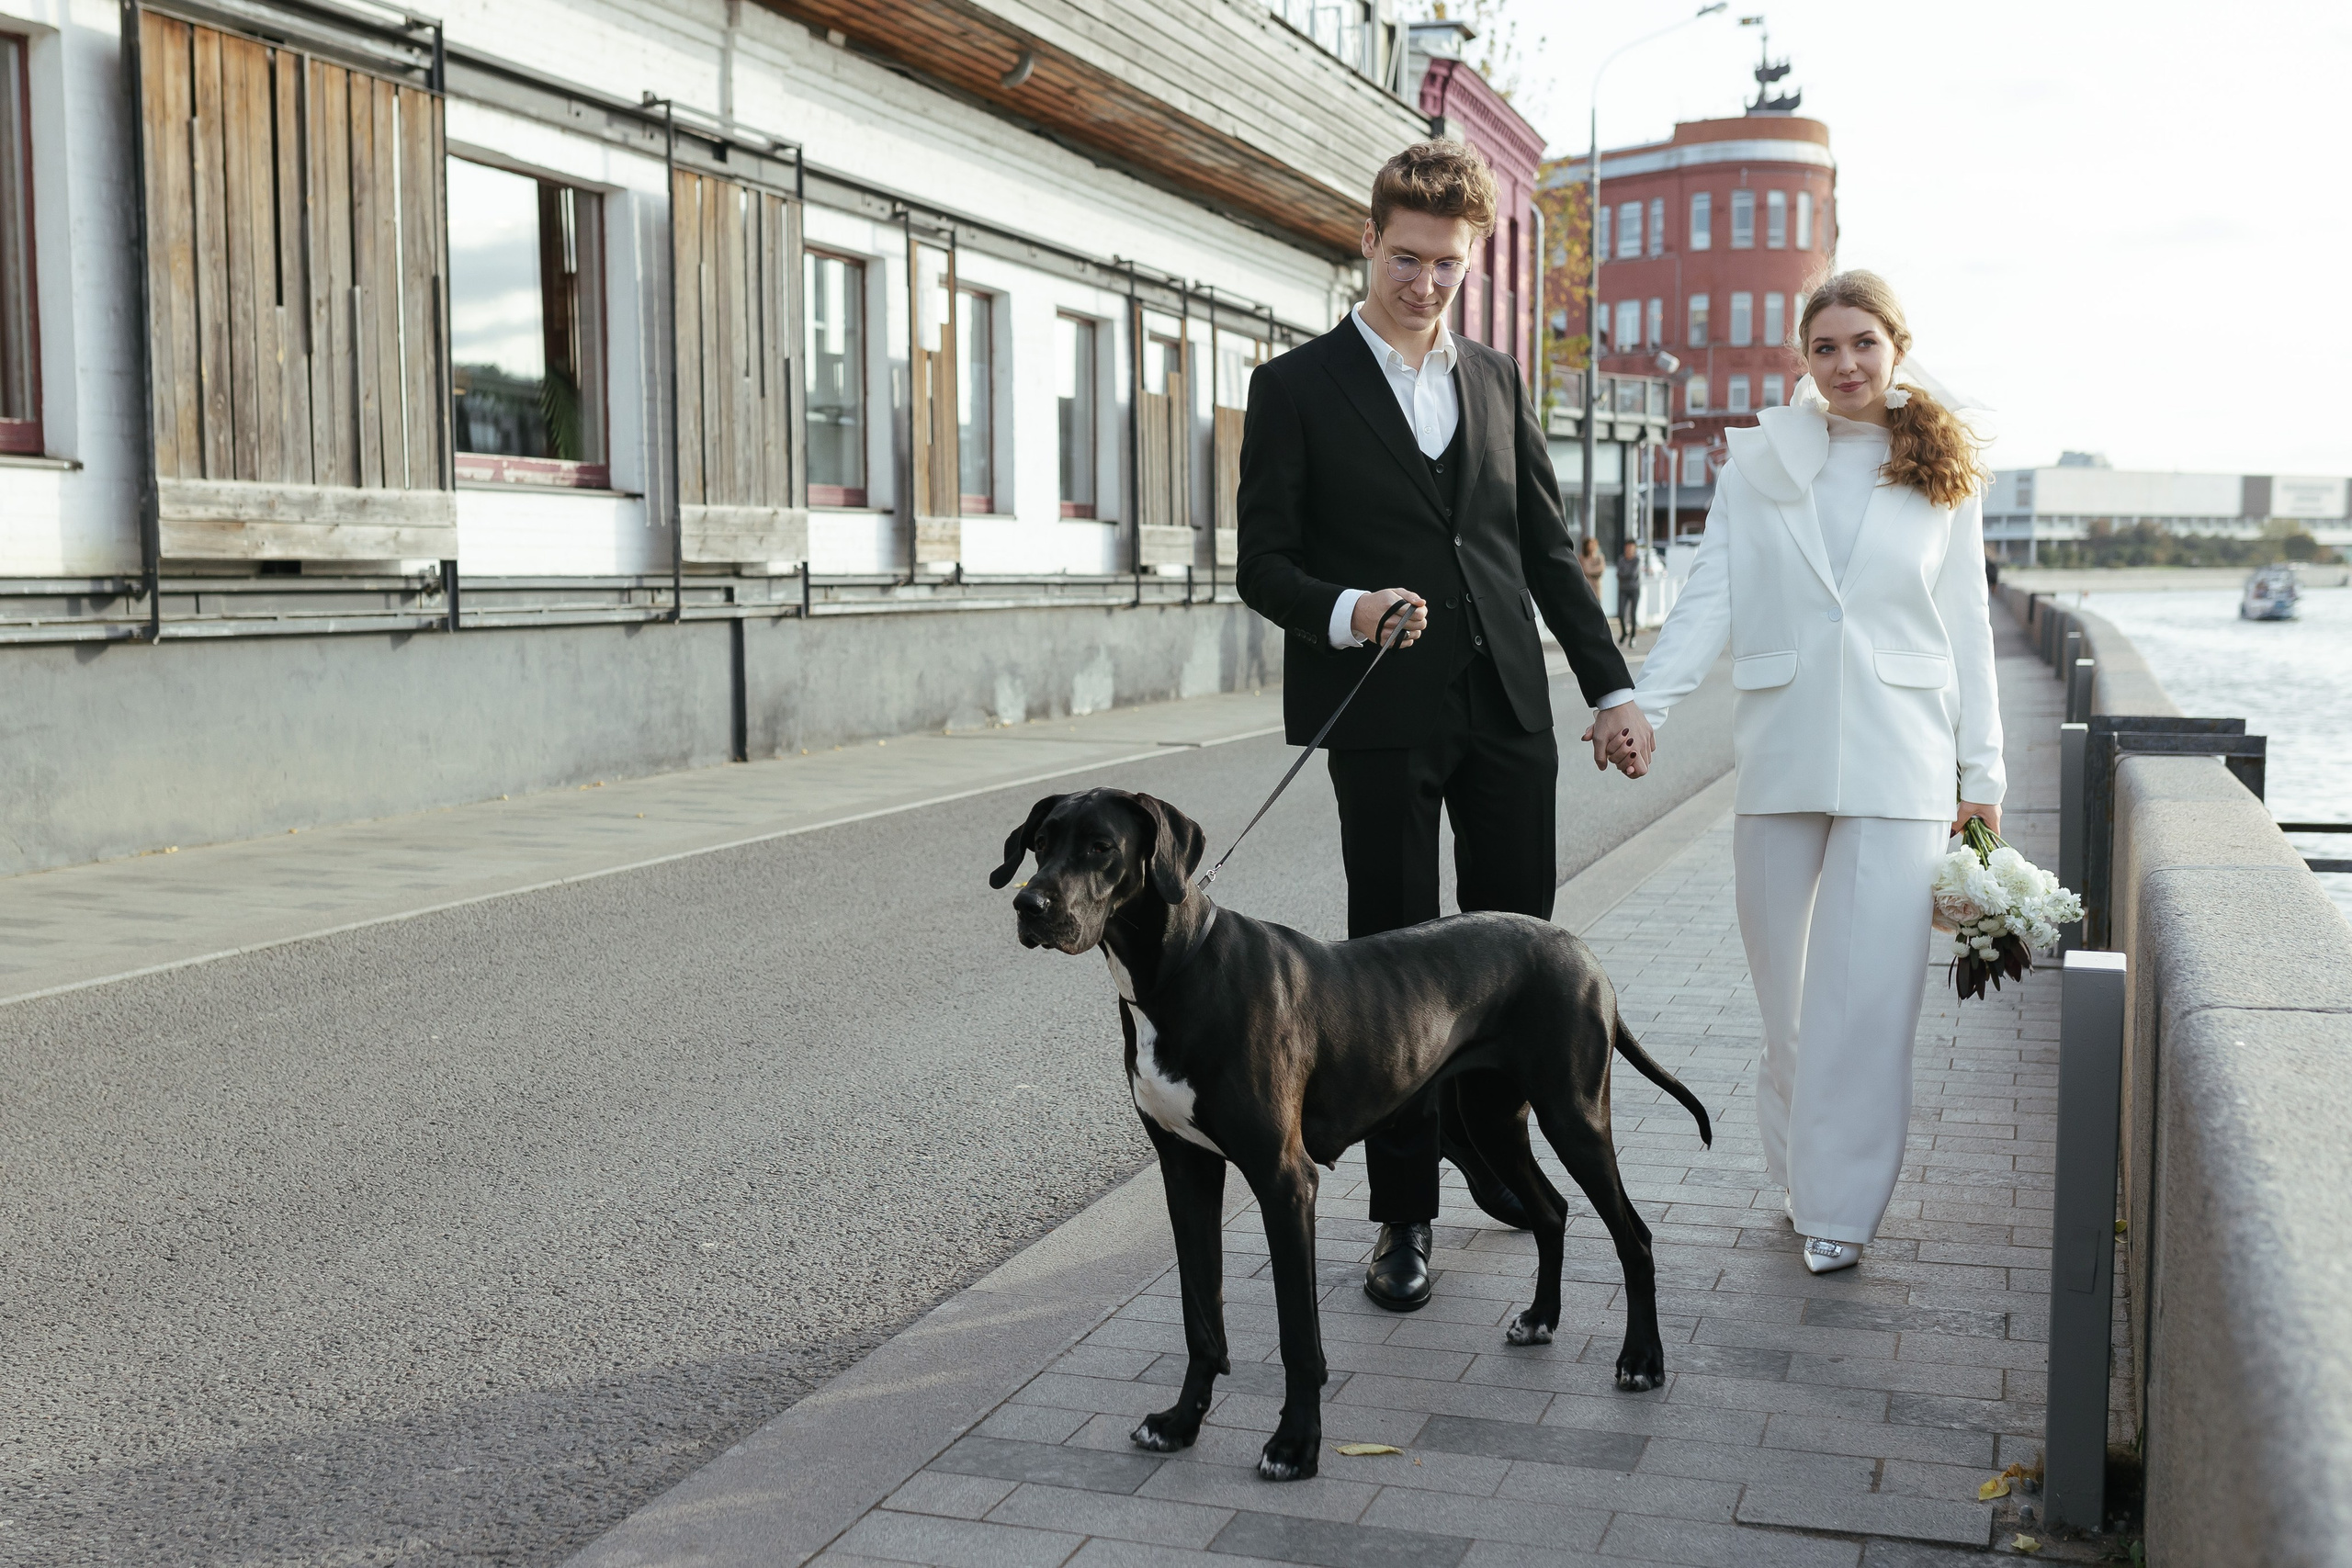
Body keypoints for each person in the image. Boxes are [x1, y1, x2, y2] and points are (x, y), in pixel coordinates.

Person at [1236, 140, 1653, 1314]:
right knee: (1392, 970)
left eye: (1447, 267)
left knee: (1517, 958)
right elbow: (1261, 565)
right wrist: (1346, 608)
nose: (1425, 283)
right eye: (1406, 258)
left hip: (1508, 709)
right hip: (1377, 714)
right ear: (1365, 243)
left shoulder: (1496, 380)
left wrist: (1609, 690)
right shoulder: (1294, 388)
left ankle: (1492, 1146)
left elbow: (1546, 554)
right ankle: (1402, 1216)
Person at [1609, 270, 2001, 1275]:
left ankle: (1842, 1206)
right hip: (1780, 750)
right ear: (1805, 357)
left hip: (1901, 756)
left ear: (1895, 348)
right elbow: (1708, 598)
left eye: (1863, 343)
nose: (1844, 365)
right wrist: (1644, 705)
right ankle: (1799, 1171)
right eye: (1824, 348)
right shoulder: (1760, 464)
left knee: (1865, 1002)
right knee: (1784, 1007)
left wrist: (1982, 771)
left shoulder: (1943, 471)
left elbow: (1968, 629)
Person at [1616, 536, 1645, 646]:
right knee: (1621, 613)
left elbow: (1632, 574)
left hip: (1634, 589)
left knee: (1633, 614)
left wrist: (1624, 574)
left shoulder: (1637, 560)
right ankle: (1624, 632)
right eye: (1627, 547)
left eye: (1631, 547)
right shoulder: (1621, 559)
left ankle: (1633, 637)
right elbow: (1619, 574)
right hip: (1623, 589)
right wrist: (1624, 574)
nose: (1629, 549)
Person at [1579, 535, 1606, 603]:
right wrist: (1594, 570)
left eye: (1594, 544)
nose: (1592, 547)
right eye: (1590, 544)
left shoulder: (1600, 557)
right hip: (1585, 587)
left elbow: (1601, 569)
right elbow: (1584, 570)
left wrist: (1589, 570)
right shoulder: (1582, 558)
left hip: (1596, 588)